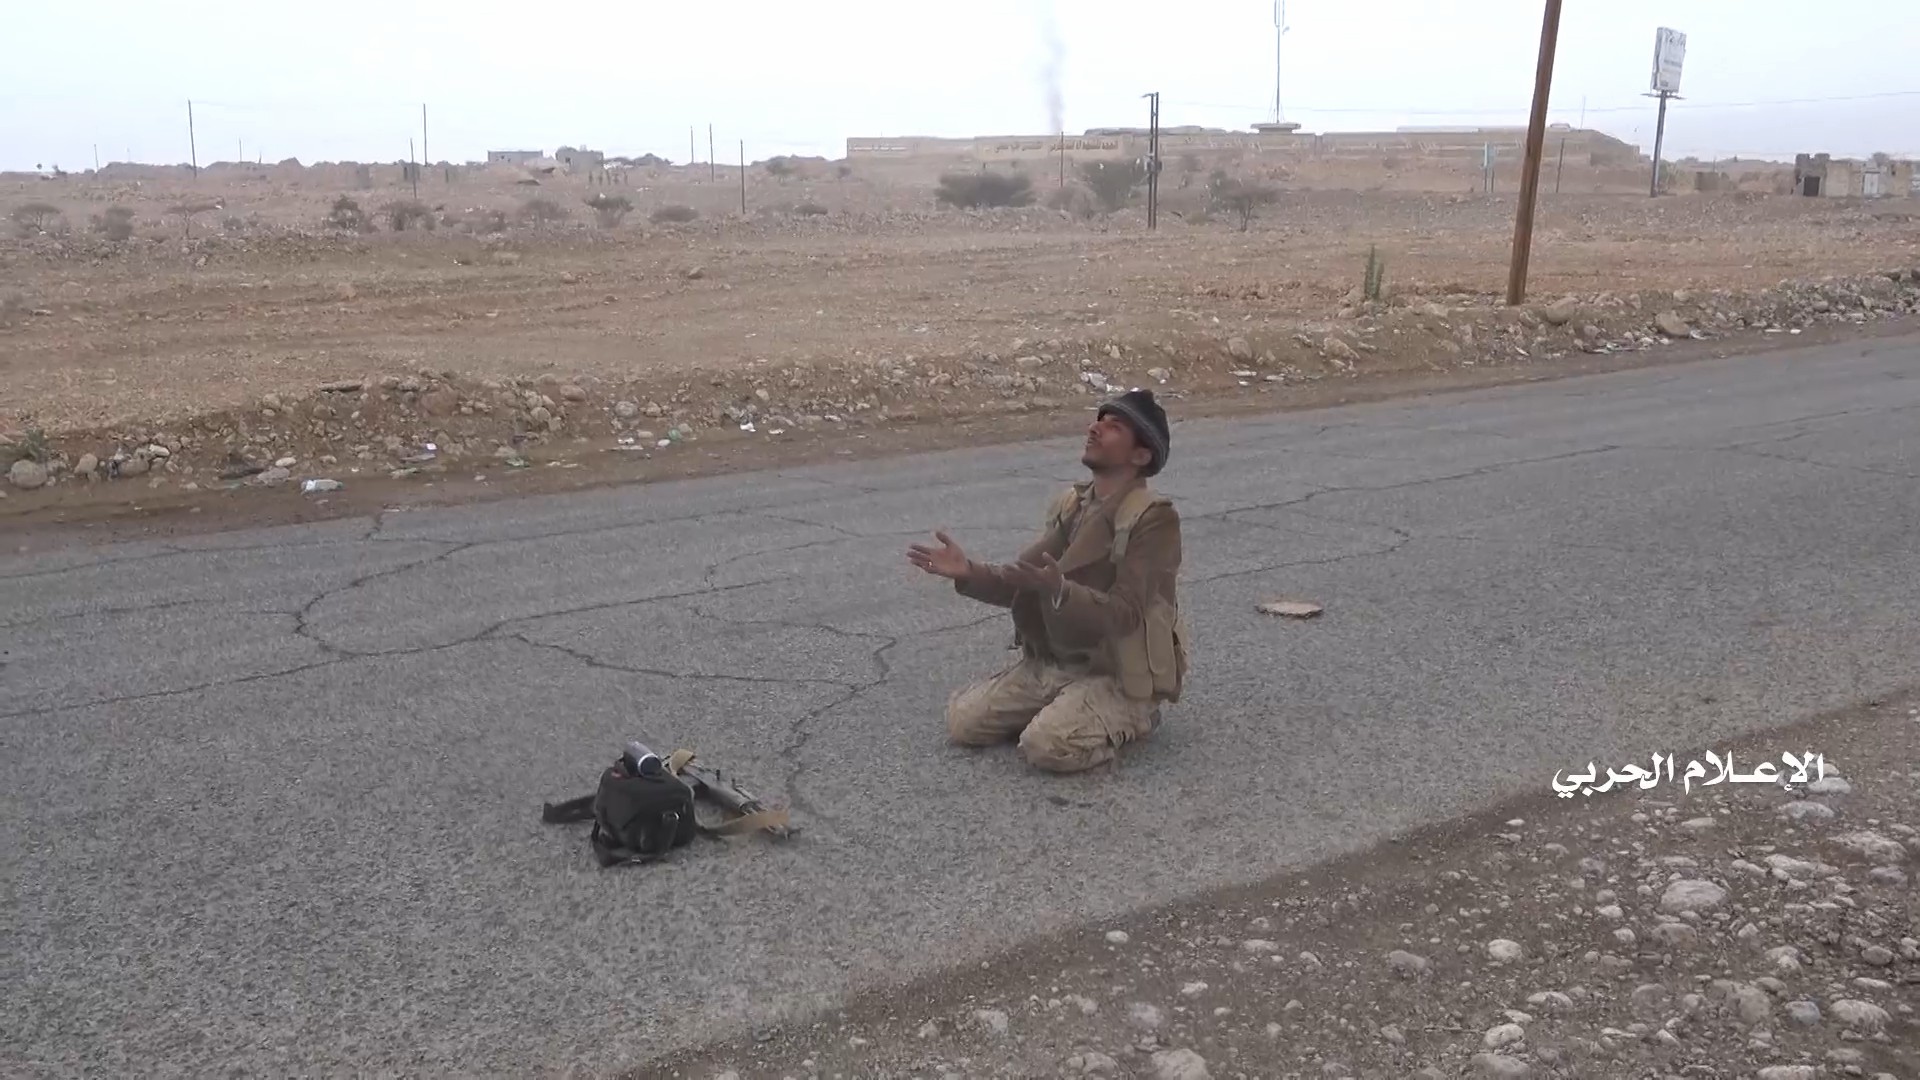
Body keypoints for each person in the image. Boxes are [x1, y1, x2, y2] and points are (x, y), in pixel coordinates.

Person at [907, 389, 1187, 773]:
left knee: (1046, 747)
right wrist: (969, 572)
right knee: (963, 723)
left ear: (1141, 455)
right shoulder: (1074, 506)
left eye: (1114, 427)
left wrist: (1061, 592)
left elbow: (1126, 613)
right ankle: (1062, 708)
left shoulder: (1153, 520)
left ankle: (1138, 715)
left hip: (1113, 670)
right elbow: (1026, 579)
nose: (1095, 429)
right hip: (1056, 661)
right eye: (1098, 421)